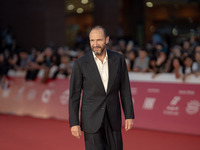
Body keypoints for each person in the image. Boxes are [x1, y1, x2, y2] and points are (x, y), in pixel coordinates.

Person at [69, 25, 135, 150]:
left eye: (98, 40)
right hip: (91, 118)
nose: (95, 44)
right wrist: (74, 123)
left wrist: (129, 115)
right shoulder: (80, 63)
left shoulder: (119, 59)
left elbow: (125, 88)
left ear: (106, 40)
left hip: (113, 117)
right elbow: (74, 96)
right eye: (92, 41)